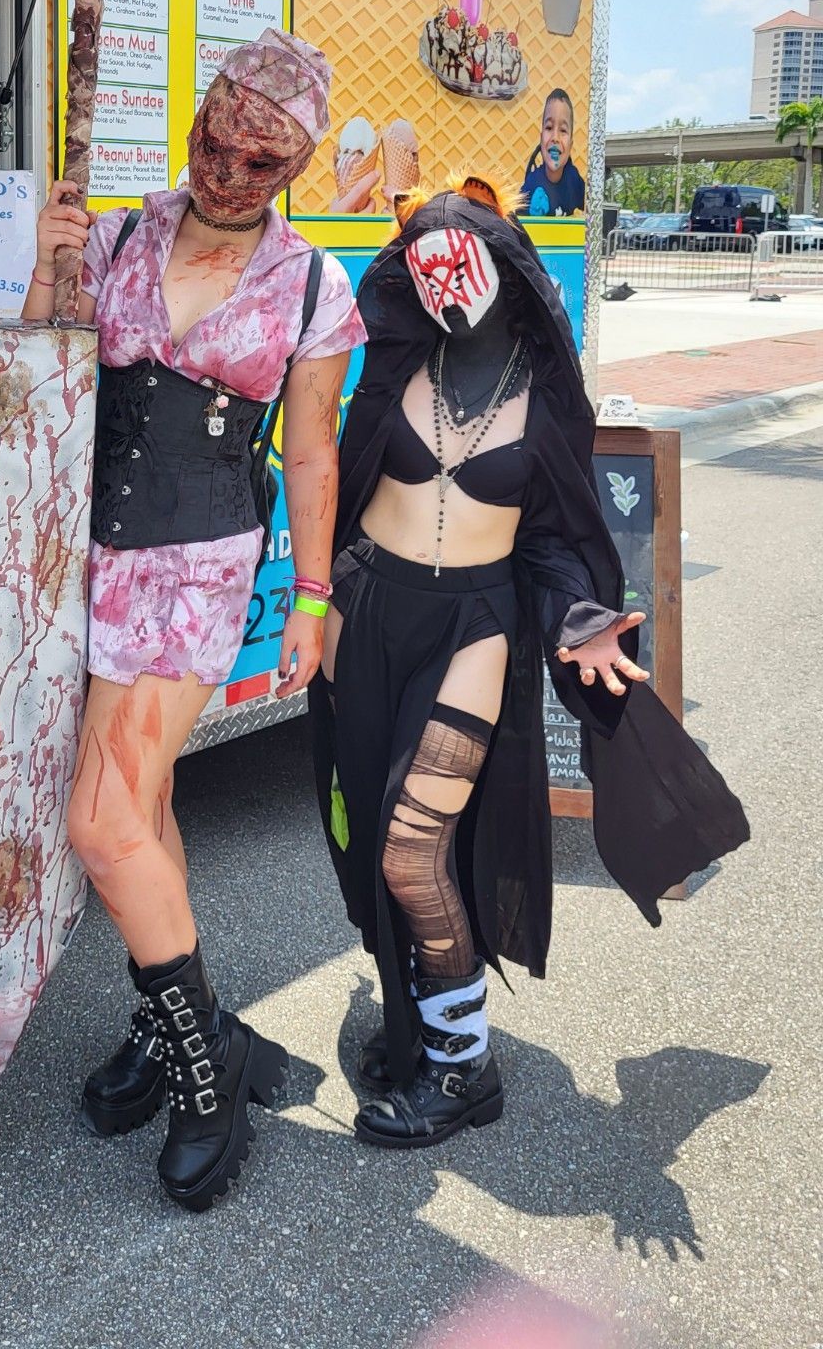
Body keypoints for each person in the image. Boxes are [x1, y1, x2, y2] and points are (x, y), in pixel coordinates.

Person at [307, 174, 748, 1149]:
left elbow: (557, 535)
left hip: (475, 629)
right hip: (371, 613)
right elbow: (345, 478)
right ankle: (413, 1023)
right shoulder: (394, 365)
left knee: (413, 846)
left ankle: (464, 1068)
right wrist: (329, 595)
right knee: (367, 837)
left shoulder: (542, 397)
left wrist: (585, 617)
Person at [26, 31, 365, 1211]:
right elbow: (46, 374)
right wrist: (46, 268)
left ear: (296, 169)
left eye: (255, 163)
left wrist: (311, 599)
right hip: (94, 556)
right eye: (211, 143)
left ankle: (204, 1075)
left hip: (199, 564)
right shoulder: (117, 231)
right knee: (150, 812)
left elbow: (315, 455)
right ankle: (184, 1023)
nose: (224, 174)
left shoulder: (315, 288)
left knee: (102, 820)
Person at [521, 88, 585, 218]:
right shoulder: (532, 182)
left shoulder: (574, 179)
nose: (555, 137)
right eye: (549, 128)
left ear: (570, 145)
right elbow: (517, 223)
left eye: (563, 130)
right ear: (541, 138)